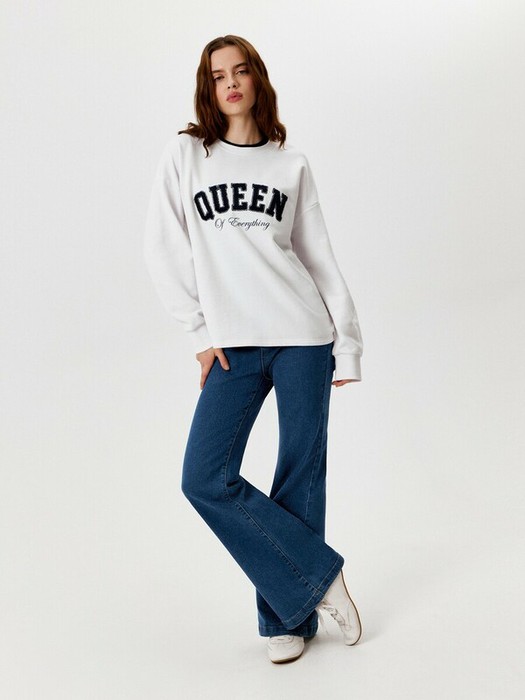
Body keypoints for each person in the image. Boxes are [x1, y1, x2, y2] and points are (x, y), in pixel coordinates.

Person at [143, 34, 364, 664]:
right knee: (203, 477)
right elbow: (162, 247)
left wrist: (346, 345)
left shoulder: (290, 164)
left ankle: (286, 623)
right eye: (218, 76)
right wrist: (199, 335)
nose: (231, 83)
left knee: (300, 472)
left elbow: (318, 258)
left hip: (303, 337)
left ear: (256, 79)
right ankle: (321, 577)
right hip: (232, 348)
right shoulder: (188, 154)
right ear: (207, 88)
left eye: (240, 71)